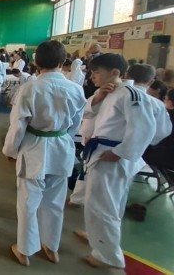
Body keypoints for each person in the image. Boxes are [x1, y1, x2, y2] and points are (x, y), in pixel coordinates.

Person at [76, 54, 170, 269]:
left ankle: (106, 255)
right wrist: (98, 97)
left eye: (96, 72)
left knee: (103, 204)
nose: (92, 77)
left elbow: (145, 128)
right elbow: (91, 113)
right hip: (104, 151)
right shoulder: (113, 92)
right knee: (105, 203)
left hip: (112, 156)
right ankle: (97, 237)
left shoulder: (130, 94)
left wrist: (122, 151)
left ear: (115, 73)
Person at [3, 40, 86, 267]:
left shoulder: (30, 87)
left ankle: (25, 250)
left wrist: (10, 150)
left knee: (28, 203)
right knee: (54, 202)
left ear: (36, 62)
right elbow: (76, 124)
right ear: (62, 62)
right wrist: (63, 138)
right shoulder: (75, 88)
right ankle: (51, 247)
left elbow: (18, 124)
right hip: (61, 147)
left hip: (34, 148)